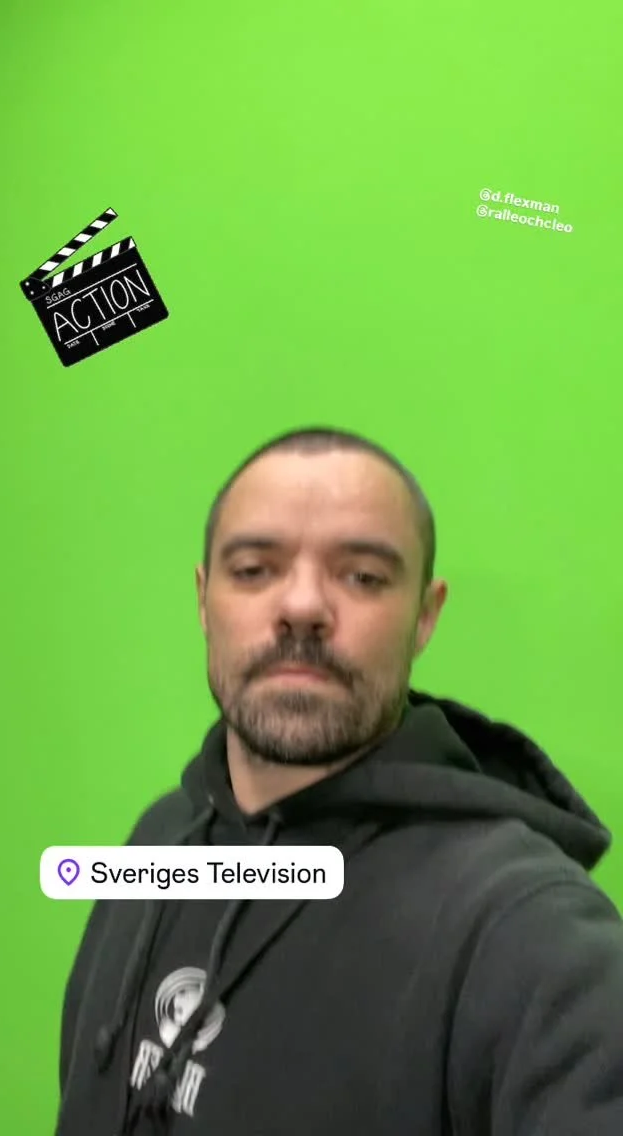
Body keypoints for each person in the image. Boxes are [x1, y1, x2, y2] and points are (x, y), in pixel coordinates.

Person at [55, 426, 623, 1136]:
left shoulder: (529, 929)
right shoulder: (158, 842)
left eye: (363, 577)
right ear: (203, 601)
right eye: (254, 569)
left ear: (425, 616)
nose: (302, 606)